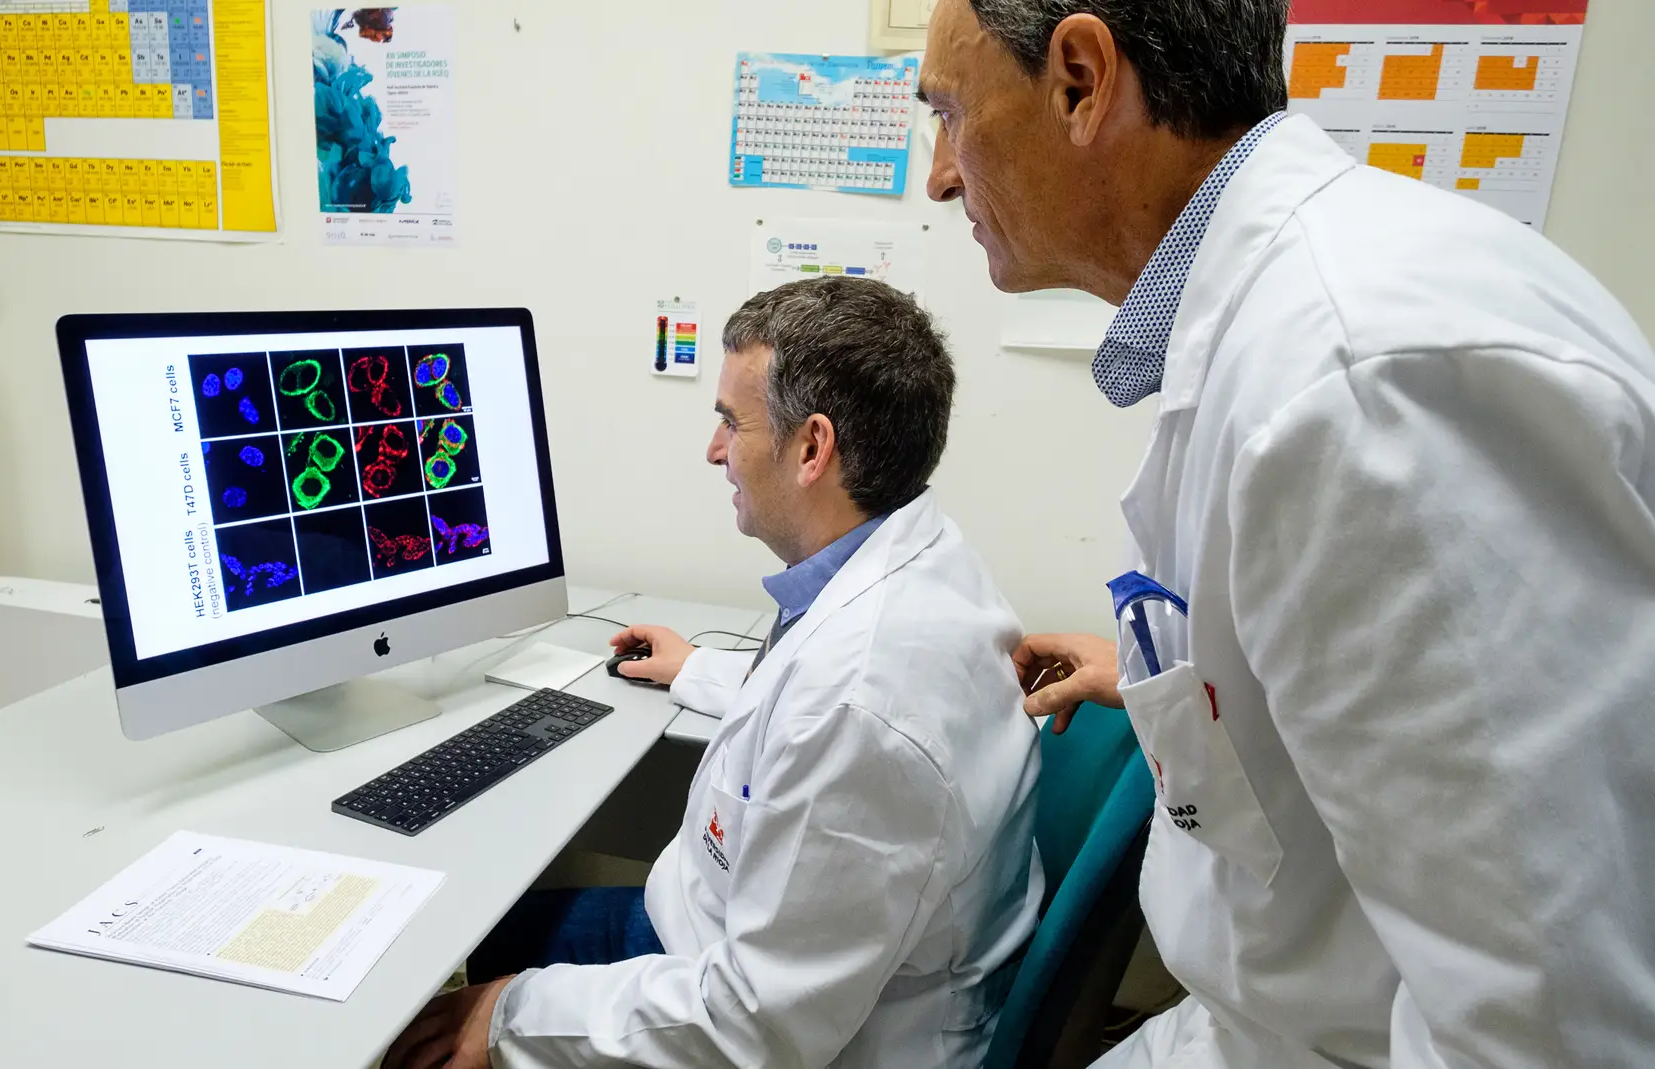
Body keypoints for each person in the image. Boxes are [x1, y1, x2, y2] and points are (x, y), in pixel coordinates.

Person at [919, 0, 1655, 1066]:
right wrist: (1160, 676)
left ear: (1079, 78)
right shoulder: (1298, 319)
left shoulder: (1362, 383)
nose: (941, 175)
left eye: (948, 113)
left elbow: (1545, 1025)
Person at [382, 276, 1045, 1069]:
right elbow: (813, 709)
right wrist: (698, 669)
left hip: (772, 1024)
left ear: (812, 448)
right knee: (467, 942)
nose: (715, 449)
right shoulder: (915, 560)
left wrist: (507, 1018)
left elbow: (754, 1027)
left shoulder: (861, 702)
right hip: (736, 949)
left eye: (732, 422)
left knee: (411, 1011)